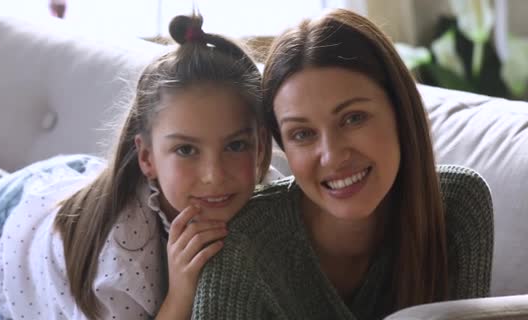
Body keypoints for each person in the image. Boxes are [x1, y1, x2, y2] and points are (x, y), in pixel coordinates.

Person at [0, 13, 280, 320]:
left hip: (66, 199)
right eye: (186, 150)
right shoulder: (124, 252)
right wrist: (180, 294)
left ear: (260, 144)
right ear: (147, 158)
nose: (214, 175)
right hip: (3, 231)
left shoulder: (270, 201)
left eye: (235, 145)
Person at [192, 8, 493, 319]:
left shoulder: (459, 206)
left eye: (353, 118)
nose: (332, 155)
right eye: (303, 134)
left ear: (400, 112)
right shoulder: (244, 245)